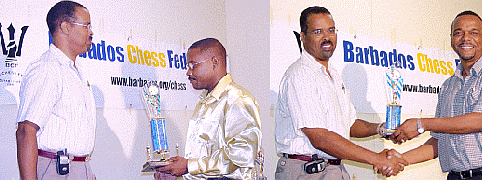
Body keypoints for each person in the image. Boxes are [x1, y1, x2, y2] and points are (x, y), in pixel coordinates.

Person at [274, 6, 406, 179]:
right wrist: (376, 158)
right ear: (303, 37)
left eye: (331, 30)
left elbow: (350, 123)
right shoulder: (300, 75)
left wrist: (381, 129)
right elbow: (320, 138)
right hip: (306, 172)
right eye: (317, 32)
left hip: (333, 170)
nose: (326, 37)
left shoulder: (333, 75)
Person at [390, 10, 482, 180]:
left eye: (473, 33)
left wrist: (420, 124)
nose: (465, 38)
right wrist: (400, 160)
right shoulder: (448, 86)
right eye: (458, 33)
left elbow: (481, 121)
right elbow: (440, 142)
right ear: (452, 41)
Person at [154, 38, 263, 180]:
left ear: (215, 62)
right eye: (188, 66)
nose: (188, 72)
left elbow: (241, 155)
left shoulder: (238, 100)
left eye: (193, 65)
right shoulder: (206, 100)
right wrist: (179, 174)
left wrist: (188, 166)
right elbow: (206, 162)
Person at [15, 1, 96, 179]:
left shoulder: (77, 72)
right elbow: (25, 131)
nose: (91, 32)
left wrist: (86, 171)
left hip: (78, 169)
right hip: (56, 171)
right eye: (86, 26)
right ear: (65, 27)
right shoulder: (47, 69)